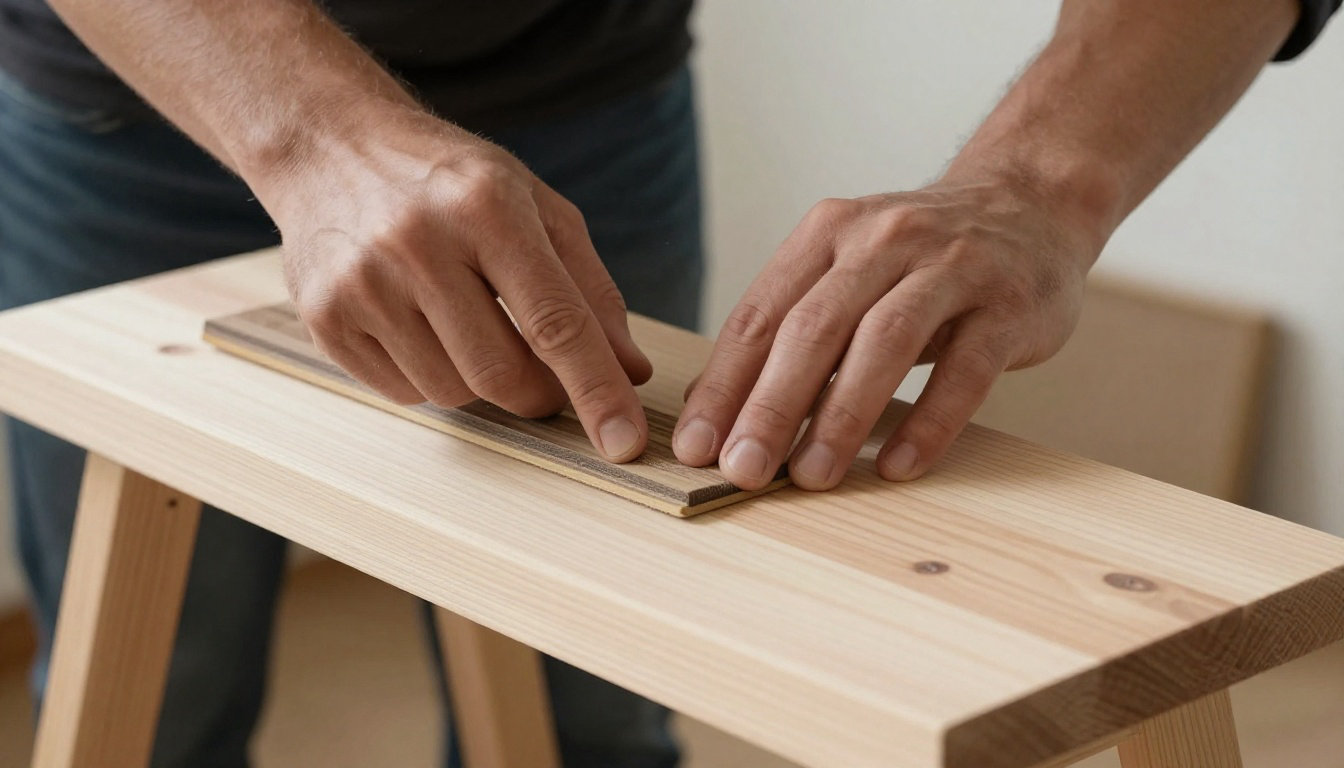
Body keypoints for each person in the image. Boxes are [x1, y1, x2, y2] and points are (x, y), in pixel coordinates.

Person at [0, 0, 1335, 765]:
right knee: (155, 698)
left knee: (596, 721)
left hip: (588, 73)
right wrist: (310, 137)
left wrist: (1044, 182)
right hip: (156, 81)